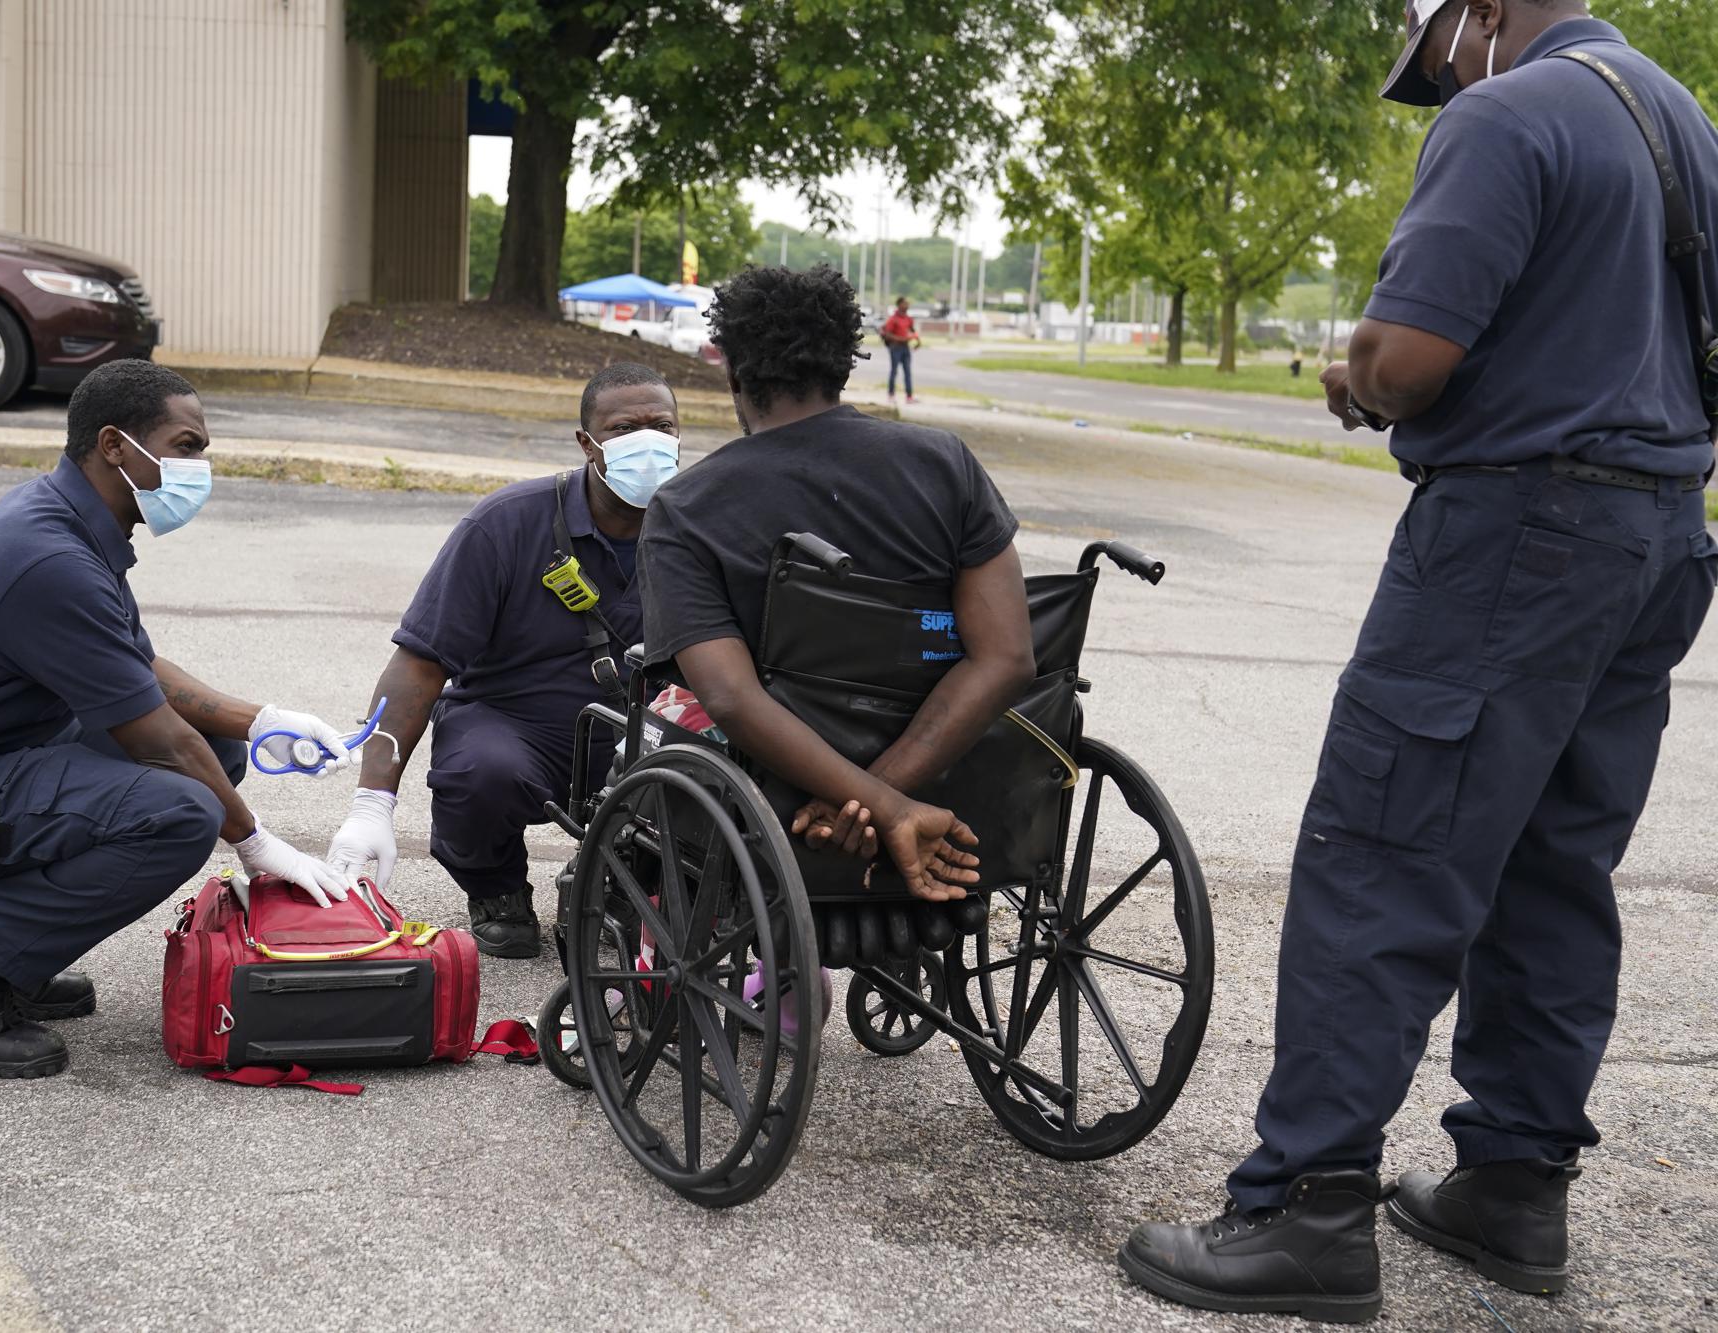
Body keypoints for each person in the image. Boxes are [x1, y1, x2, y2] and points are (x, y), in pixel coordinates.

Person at [1119, 2, 1718, 1323]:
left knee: (1383, 852)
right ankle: (1512, 1188)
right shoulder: (1686, 122)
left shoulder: (1507, 114)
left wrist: (1361, 373)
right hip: (1660, 535)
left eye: (1440, 54)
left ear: (1485, 12)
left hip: (1515, 534)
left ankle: (1304, 1213)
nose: (1444, 79)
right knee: (1557, 867)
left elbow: (1416, 357)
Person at [0, 359, 354, 1080]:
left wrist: (260, 719)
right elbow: (157, 736)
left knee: (216, 755)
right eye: (187, 445)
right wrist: (260, 844)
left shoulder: (64, 516)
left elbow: (137, 668)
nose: (201, 467)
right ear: (115, 445)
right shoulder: (49, 558)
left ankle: (10, 947)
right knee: (179, 809)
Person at [638, 264, 1036, 898]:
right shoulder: (945, 464)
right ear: (842, 367)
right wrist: (887, 793)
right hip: (947, 766)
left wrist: (874, 803)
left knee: (652, 717)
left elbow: (733, 699)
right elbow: (1008, 657)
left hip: (774, 789)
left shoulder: (688, 506)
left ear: (735, 374)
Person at [326, 363, 681, 957]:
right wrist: (372, 802)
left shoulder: (694, 529)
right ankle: (497, 888)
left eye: (661, 426)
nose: (645, 442)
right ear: (585, 442)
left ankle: (625, 879)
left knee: (707, 768)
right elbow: (419, 664)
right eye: (623, 429)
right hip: (520, 728)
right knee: (479, 771)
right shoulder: (506, 524)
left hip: (643, 735)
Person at [881, 296, 921, 404]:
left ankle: (909, 396)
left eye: (908, 304)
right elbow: (887, 334)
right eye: (905, 303)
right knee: (894, 371)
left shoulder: (908, 319)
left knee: (907, 372)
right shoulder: (893, 319)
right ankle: (891, 395)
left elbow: (913, 331)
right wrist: (900, 339)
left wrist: (918, 341)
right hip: (895, 348)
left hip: (905, 348)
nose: (907, 306)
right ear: (899, 305)